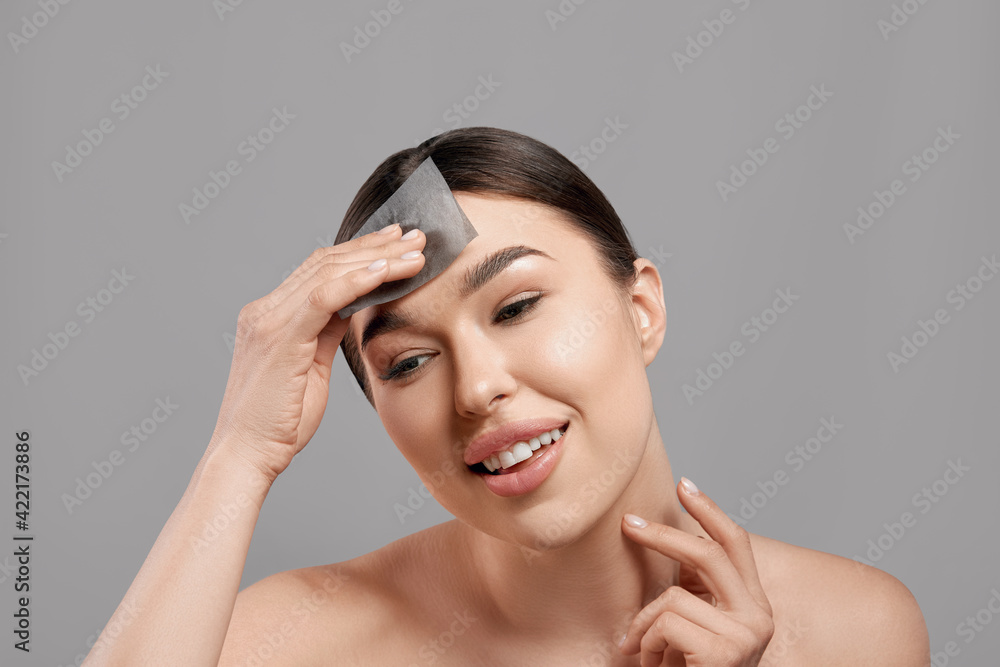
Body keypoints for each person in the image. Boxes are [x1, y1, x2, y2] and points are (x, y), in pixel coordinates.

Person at [86, 127, 930, 666]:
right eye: (409, 362)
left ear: (642, 309)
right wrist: (240, 454)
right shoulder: (292, 639)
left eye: (517, 306)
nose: (479, 386)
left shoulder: (852, 632)